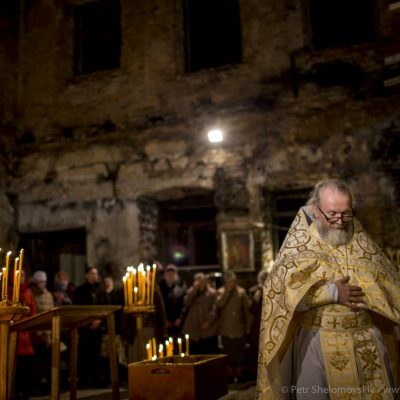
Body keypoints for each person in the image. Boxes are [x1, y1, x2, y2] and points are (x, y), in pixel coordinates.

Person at [256, 178, 400, 399]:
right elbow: (281, 296)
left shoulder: (361, 241)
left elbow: (387, 285)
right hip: (317, 342)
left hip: (365, 343)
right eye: (332, 214)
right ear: (315, 209)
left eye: (346, 213)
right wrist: (331, 292)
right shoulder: (300, 244)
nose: (340, 221)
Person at [216, 270, 250, 383]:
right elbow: (219, 304)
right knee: (228, 354)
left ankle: (239, 375)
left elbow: (248, 309)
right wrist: (227, 292)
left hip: (239, 329)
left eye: (232, 281)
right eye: (228, 282)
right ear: (225, 282)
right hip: (226, 329)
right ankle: (230, 375)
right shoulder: (220, 292)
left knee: (239, 354)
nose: (230, 284)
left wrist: (248, 327)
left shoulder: (241, 292)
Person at [73, 266, 102, 389]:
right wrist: (88, 321)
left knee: (96, 354)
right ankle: (84, 380)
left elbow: (106, 306)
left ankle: (95, 379)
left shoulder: (101, 291)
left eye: (96, 274)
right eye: (91, 273)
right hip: (85, 328)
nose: (94, 276)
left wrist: (100, 320)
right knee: (84, 354)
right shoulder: (80, 290)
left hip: (98, 328)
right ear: (86, 275)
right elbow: (78, 308)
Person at [181, 272, 219, 355]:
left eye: (201, 281)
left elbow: (215, 309)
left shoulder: (212, 293)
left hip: (207, 329)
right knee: (194, 352)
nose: (199, 283)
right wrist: (194, 289)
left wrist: (208, 321)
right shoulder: (192, 292)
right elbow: (186, 302)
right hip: (193, 327)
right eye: (197, 281)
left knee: (207, 352)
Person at [248, 270, 268, 378]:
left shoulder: (273, 288)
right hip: (257, 324)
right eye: (262, 279)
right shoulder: (255, 291)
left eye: (266, 278)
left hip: (268, 323)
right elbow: (251, 310)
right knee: (256, 348)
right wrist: (256, 298)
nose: (264, 281)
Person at [159, 264, 187, 337]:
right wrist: (163, 319)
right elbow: (158, 305)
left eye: (172, 273)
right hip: (164, 322)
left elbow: (185, 304)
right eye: (168, 273)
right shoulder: (160, 288)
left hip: (178, 323)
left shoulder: (181, 287)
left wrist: (180, 318)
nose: (170, 275)